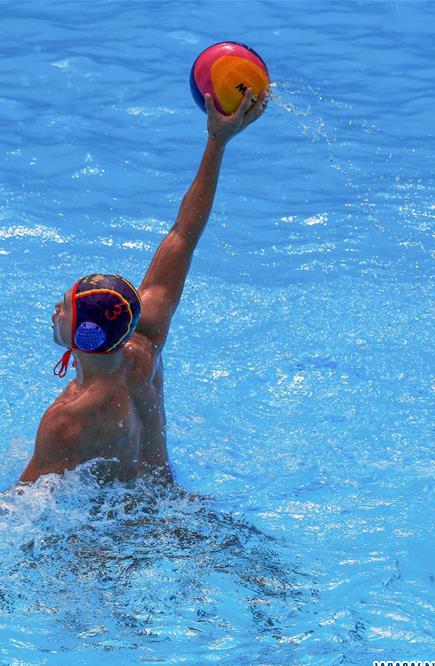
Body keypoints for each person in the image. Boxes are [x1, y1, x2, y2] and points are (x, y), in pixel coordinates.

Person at [20, 89, 269, 484]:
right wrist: (217, 141)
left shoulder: (67, 418)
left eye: (64, 307)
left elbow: (18, 507)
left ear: (84, 335)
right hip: (171, 504)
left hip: (122, 539)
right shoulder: (143, 347)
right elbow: (183, 235)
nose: (55, 310)